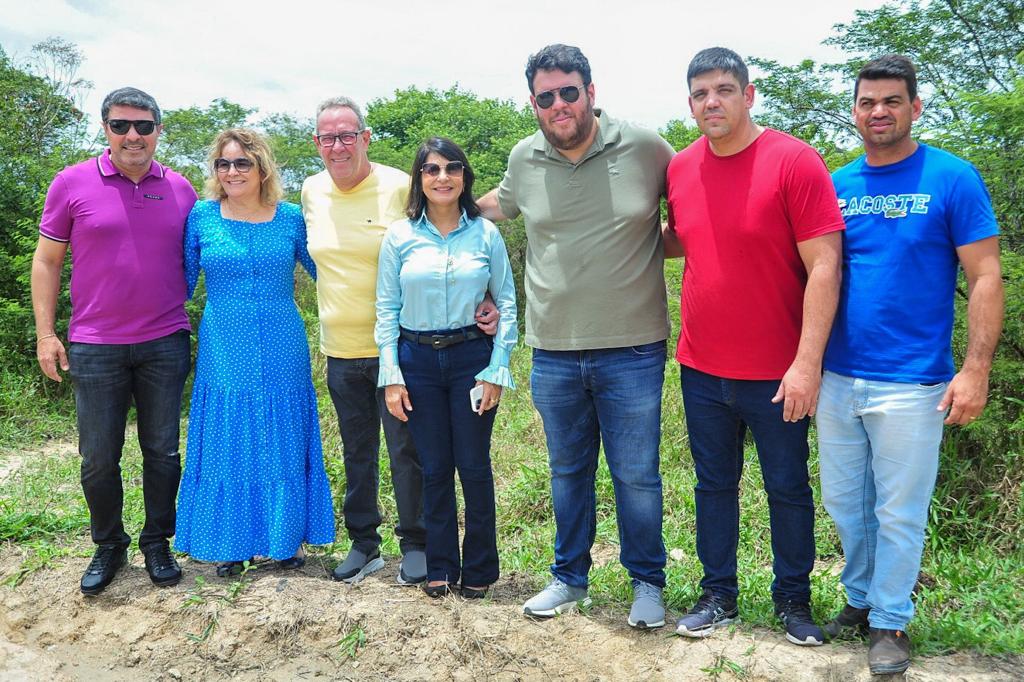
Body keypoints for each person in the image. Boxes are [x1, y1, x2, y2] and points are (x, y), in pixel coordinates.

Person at [477, 44, 675, 629]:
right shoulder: (524, 158)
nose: (558, 105)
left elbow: (696, 205)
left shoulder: (644, 147)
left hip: (634, 347)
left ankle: (648, 583)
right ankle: (569, 578)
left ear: (591, 91)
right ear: (532, 103)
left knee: (636, 474)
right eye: (546, 97)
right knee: (567, 471)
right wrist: (431, 207)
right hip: (554, 349)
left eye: (569, 92)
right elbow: (495, 208)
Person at [817, 55, 1003, 675]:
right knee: (847, 504)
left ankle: (891, 622)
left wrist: (975, 370)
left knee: (899, 509)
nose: (879, 112)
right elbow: (819, 275)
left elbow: (984, 277)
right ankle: (860, 600)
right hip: (838, 377)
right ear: (854, 111)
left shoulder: (952, 177)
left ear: (914, 107)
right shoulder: (838, 184)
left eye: (892, 101)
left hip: (915, 380)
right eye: (868, 102)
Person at [663, 47, 844, 646]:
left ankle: (794, 601)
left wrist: (806, 364)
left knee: (787, 487)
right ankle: (718, 594)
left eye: (722, 89)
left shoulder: (794, 161)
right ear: (689, 103)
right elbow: (679, 241)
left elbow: (826, 265)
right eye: (699, 93)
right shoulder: (682, 168)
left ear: (748, 94)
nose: (710, 102)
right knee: (713, 486)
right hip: (701, 367)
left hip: (778, 371)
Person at [302, 98, 498, 585]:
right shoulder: (309, 192)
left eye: (348, 135)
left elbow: (451, 228)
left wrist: (486, 296)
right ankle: (364, 542)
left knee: (409, 451)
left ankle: (416, 543)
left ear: (366, 138)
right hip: (340, 347)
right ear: (317, 144)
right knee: (357, 450)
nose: (339, 146)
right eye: (328, 137)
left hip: (402, 347)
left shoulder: (398, 185)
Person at [31, 87, 197, 595]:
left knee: (162, 452)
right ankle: (109, 544)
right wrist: (45, 334)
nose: (133, 136)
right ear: (104, 128)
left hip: (165, 340)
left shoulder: (181, 189)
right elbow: (47, 261)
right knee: (98, 456)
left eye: (144, 126)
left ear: (158, 131)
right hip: (95, 343)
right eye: (121, 125)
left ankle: (156, 542)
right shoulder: (71, 182)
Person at [173, 128, 335, 575]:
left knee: (282, 436)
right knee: (230, 436)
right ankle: (229, 541)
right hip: (224, 343)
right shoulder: (201, 217)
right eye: (223, 164)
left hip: (284, 342)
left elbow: (331, 273)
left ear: (262, 168)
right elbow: (179, 283)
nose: (231, 171)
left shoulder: (290, 218)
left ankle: (284, 541)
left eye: (242, 162)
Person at [376, 137, 517, 599]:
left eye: (452, 168)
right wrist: (391, 376)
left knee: (473, 466)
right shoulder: (400, 236)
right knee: (434, 468)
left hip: (471, 359)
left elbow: (509, 304)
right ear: (419, 178)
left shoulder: (485, 234)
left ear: (464, 177)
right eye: (432, 169)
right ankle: (439, 565)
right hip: (416, 361)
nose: (442, 177)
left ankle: (478, 569)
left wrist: (496, 369)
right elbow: (386, 309)